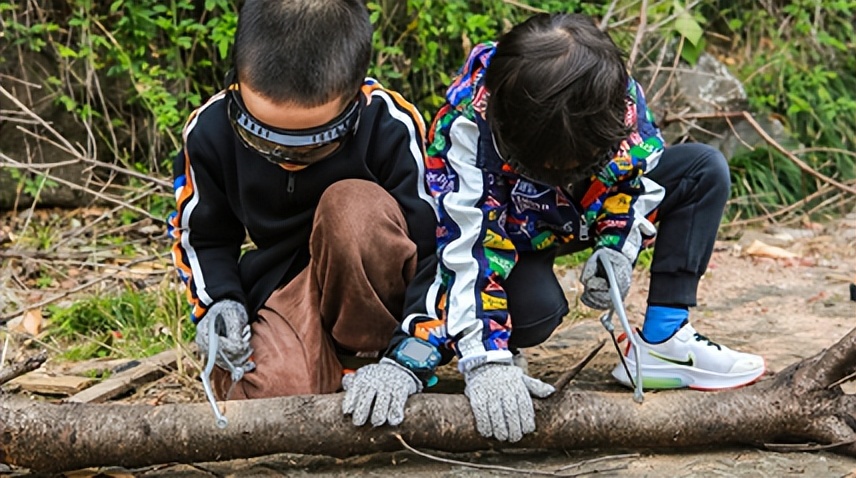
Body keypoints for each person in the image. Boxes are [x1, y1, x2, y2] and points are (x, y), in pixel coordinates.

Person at [341, 13, 765, 442]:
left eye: (574, 166)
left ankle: (664, 338)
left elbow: (637, 178)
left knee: (702, 169)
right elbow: (463, 250)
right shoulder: (467, 125)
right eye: (548, 168)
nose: (560, 172)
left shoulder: (615, 98)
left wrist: (617, 248)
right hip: (509, 234)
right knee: (534, 311)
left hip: (580, 215)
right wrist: (473, 359)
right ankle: (500, 341)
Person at [167, 0, 439, 400]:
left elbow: (439, 247)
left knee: (351, 209)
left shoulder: (390, 124)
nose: (285, 158)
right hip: (285, 285)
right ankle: (322, 367)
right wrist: (218, 303)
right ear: (236, 84)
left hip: (382, 291)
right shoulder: (208, 130)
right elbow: (204, 236)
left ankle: (368, 357)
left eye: (311, 146)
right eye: (261, 138)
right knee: (263, 396)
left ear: (355, 99)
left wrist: (415, 348)